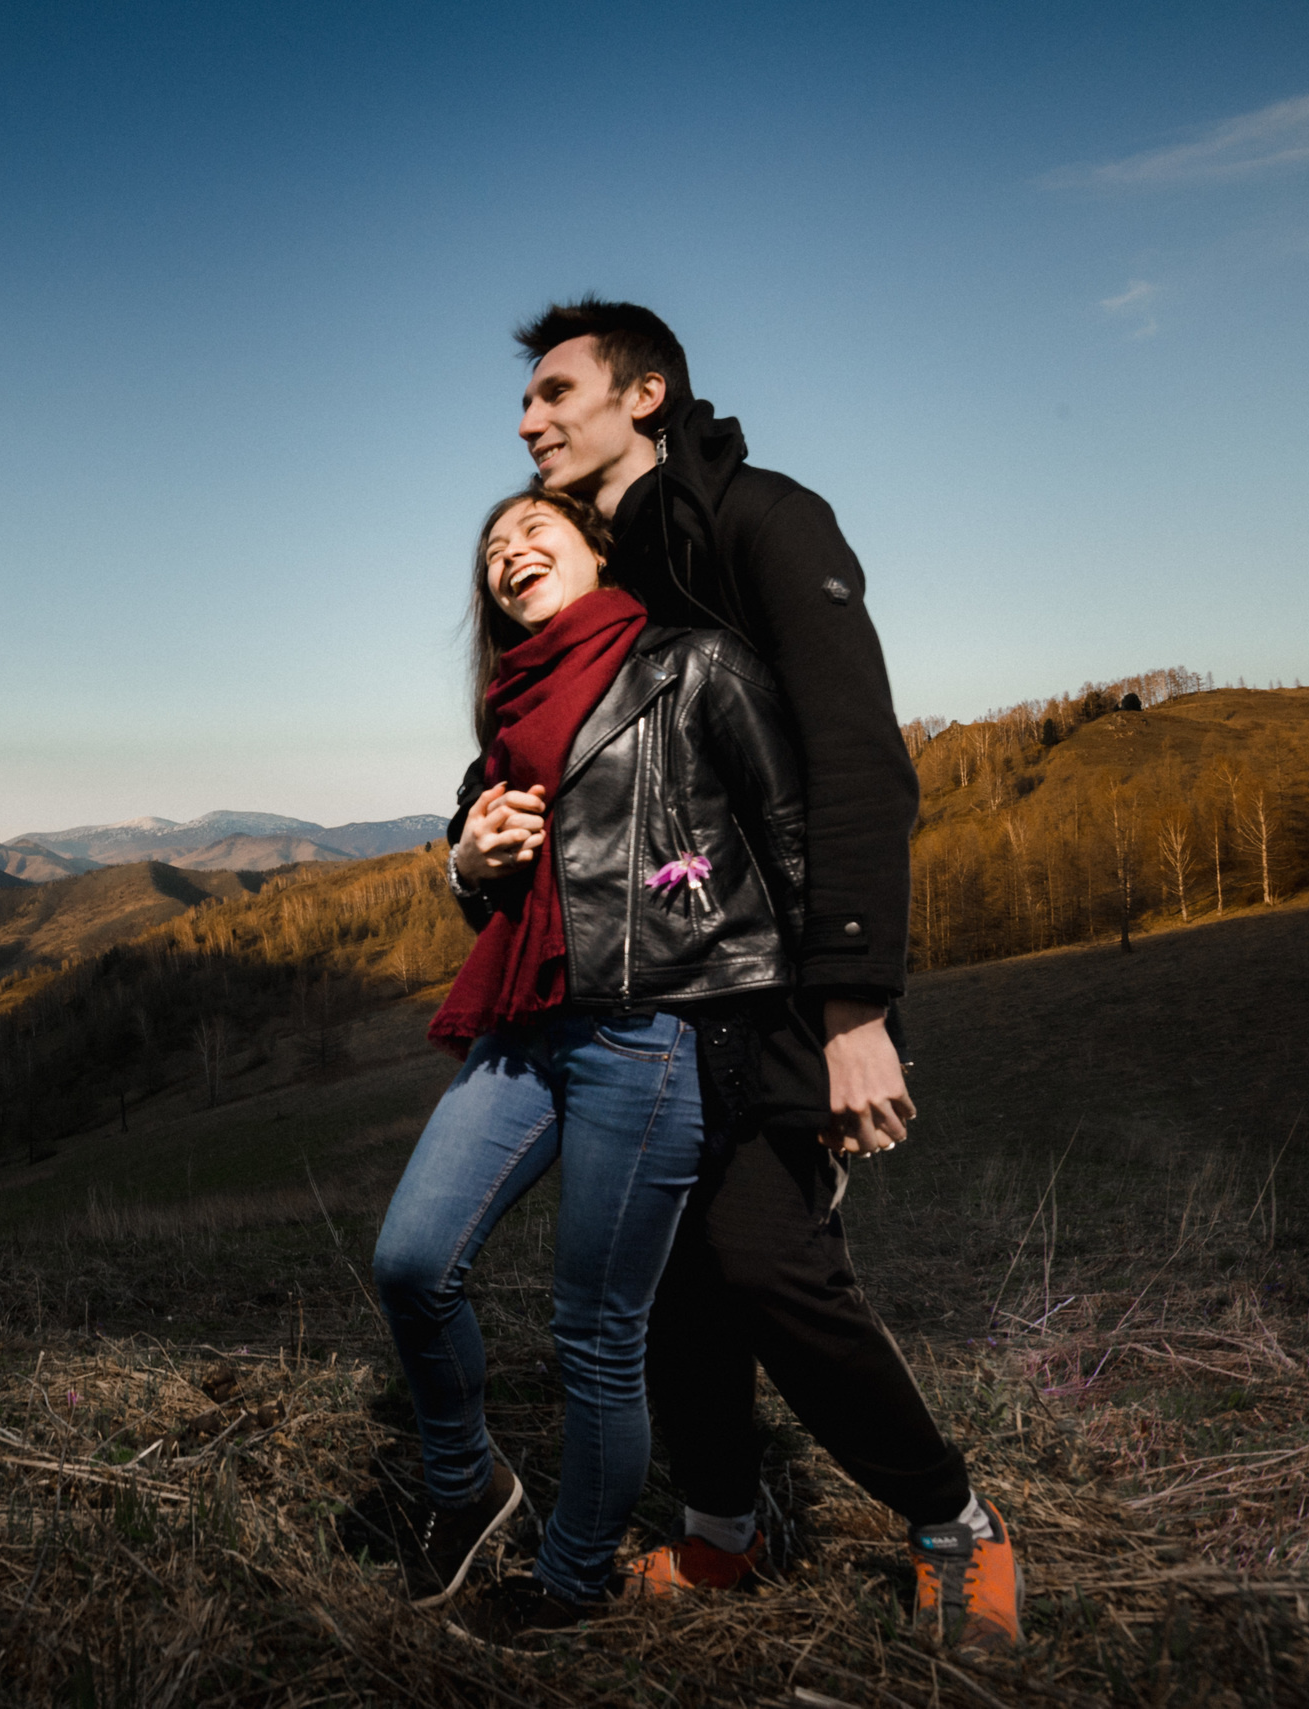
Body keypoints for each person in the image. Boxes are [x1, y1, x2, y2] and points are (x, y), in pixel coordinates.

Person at [481, 297, 1021, 1650]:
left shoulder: (768, 520)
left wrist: (853, 1008)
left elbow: (855, 761)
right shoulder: (614, 570)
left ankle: (955, 1522)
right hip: (653, 1005)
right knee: (674, 1275)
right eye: (526, 399)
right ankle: (726, 1527)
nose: (528, 418)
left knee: (771, 1260)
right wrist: (468, 847)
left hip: (777, 990)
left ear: (645, 394)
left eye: (556, 391)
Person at [370, 482, 809, 1642]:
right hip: (525, 1026)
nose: (508, 551)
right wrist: (465, 862)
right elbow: (492, 885)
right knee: (411, 1261)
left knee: (595, 1331)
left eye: (533, 529)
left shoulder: (691, 667)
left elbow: (792, 843)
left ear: (596, 549)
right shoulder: (509, 715)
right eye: (491, 548)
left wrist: (837, 1030)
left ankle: (570, 1580)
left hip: (646, 1031)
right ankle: (469, 1487)